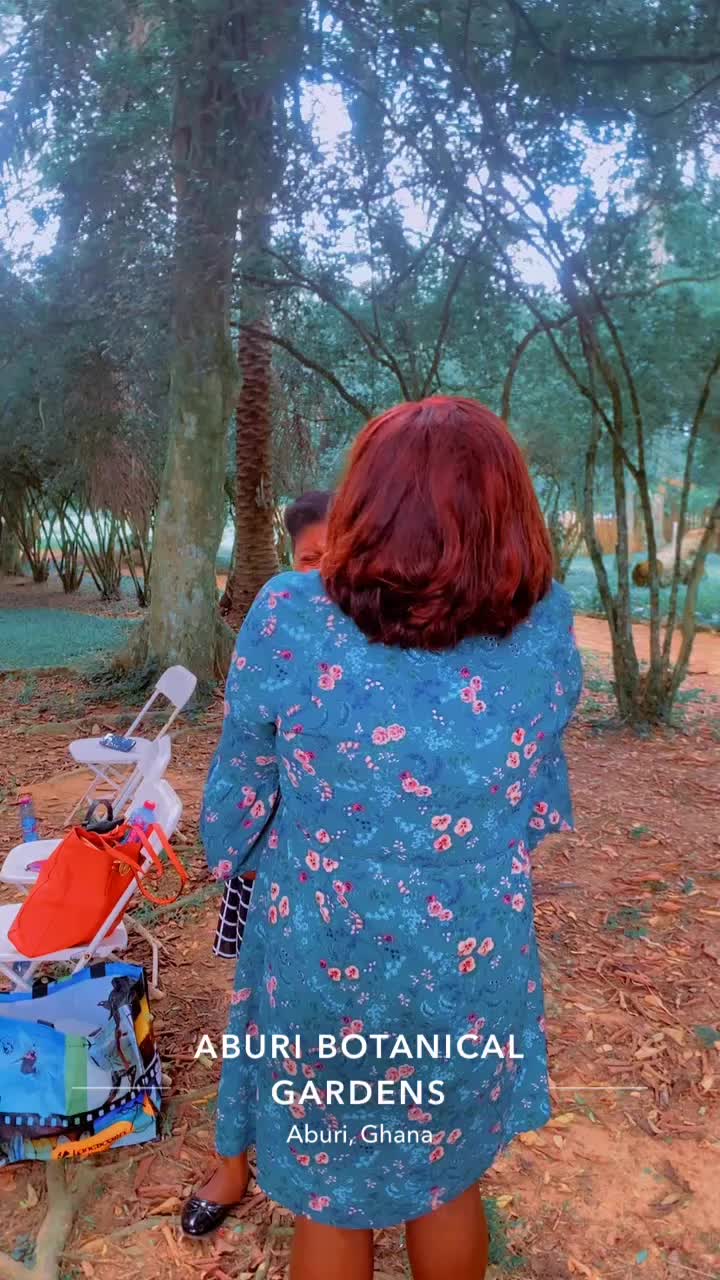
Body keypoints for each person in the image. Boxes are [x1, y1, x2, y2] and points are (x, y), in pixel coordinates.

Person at [189, 397, 582, 1280]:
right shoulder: (546, 627)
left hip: (325, 952)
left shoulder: (291, 616)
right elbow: (534, 802)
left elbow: (238, 803)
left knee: (331, 1191)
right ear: (507, 511)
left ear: (366, 502)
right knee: (448, 1179)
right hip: (472, 957)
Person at [211, 490, 334, 965]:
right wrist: (243, 842)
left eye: (338, 558)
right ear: (291, 559)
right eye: (311, 559)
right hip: (273, 829)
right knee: (270, 959)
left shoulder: (377, 636)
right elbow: (245, 747)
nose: (323, 574)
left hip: (335, 849)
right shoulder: (278, 624)